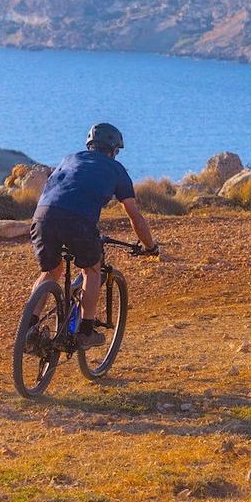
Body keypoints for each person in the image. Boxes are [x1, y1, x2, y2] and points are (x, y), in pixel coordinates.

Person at [30, 123, 158, 349]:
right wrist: (150, 246)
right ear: (114, 150)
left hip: (42, 216)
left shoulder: (69, 159)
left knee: (51, 271)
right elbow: (135, 217)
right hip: (78, 220)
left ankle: (29, 329)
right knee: (91, 270)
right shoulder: (116, 170)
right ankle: (86, 331)